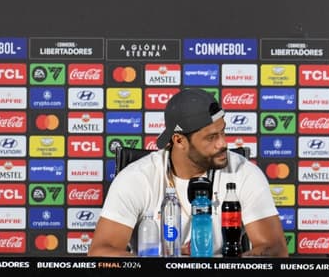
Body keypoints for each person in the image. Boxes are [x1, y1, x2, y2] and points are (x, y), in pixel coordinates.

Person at [88, 87, 289, 257]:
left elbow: (275, 249)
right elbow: (101, 251)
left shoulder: (243, 172)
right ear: (179, 141)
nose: (223, 144)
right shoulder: (137, 178)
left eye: (223, 132)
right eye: (211, 138)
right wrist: (168, 261)